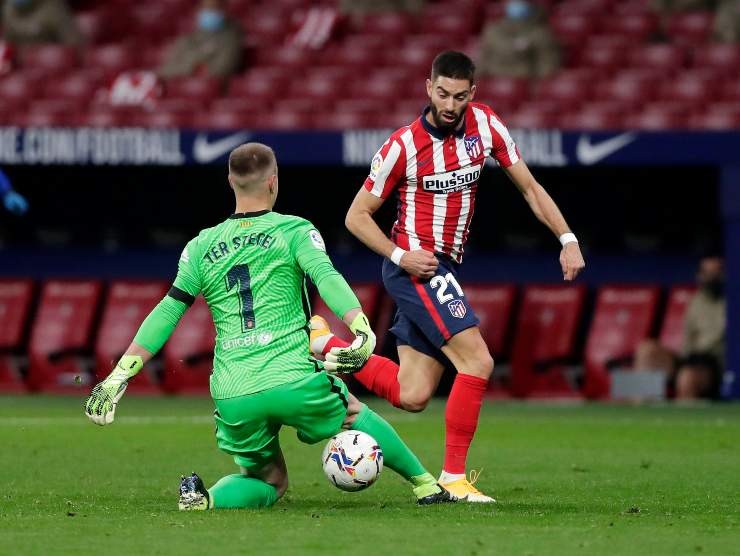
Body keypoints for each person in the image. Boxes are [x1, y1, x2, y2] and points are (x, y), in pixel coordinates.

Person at [83, 143, 453, 510]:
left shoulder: (200, 246)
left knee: (269, 482)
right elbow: (326, 276)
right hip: (292, 376)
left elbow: (168, 310)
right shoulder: (294, 230)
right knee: (353, 412)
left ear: (230, 181)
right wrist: (360, 326)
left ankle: (205, 499)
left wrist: (120, 373)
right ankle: (426, 485)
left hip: (234, 391)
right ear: (273, 182)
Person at [311, 51, 584, 503]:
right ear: (428, 88)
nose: (450, 104)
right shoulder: (401, 145)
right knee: (478, 361)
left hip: (445, 266)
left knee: (413, 393)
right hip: (418, 266)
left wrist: (567, 237)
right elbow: (356, 216)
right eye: (442, 93)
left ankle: (325, 343)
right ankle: (454, 479)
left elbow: (530, 187)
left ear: (472, 93)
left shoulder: (488, 126)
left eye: (459, 95)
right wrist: (402, 255)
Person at [633, 255, 726, 400]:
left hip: (713, 366)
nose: (711, 278)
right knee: (646, 349)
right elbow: (688, 341)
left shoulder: (731, 301)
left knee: (687, 376)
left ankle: (684, 418)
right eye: (707, 273)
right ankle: (639, 407)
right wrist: (683, 361)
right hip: (690, 358)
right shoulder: (697, 301)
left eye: (716, 273)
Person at [157, 0, 243, 80]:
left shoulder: (231, 38)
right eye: (205, 8)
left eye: (213, 8)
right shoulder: (189, 37)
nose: (208, 11)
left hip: (212, 91)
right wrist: (194, 66)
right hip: (181, 87)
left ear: (224, 10)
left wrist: (186, 65)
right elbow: (166, 69)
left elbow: (219, 70)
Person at [477, 1, 560, 79]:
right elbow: (484, 60)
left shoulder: (541, 33)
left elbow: (546, 66)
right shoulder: (494, 30)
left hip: (525, 82)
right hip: (494, 80)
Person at [1, 0, 82, 47]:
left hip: (52, 66)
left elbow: (74, 43)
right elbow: (7, 45)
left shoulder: (54, 8)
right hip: (23, 68)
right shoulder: (8, 9)